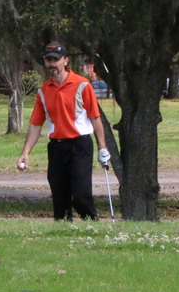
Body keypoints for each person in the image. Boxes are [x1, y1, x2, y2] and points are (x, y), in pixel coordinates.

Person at [16, 43, 110, 220]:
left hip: (80, 145)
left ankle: (91, 222)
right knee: (59, 193)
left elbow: (95, 117)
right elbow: (36, 124)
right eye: (48, 60)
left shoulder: (82, 85)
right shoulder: (43, 91)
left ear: (65, 61)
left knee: (81, 193)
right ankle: (63, 226)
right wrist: (25, 152)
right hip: (57, 147)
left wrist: (102, 148)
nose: (52, 63)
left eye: (56, 59)